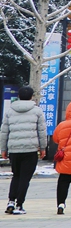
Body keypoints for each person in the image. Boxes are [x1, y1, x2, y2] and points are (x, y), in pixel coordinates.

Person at [0, 86, 47, 215]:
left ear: (19, 96)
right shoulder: (37, 111)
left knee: (16, 175)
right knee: (25, 178)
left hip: (14, 149)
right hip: (30, 149)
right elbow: (42, 131)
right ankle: (19, 204)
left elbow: (4, 132)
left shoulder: (10, 111)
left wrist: (3, 149)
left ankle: (10, 201)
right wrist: (43, 148)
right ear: (32, 96)